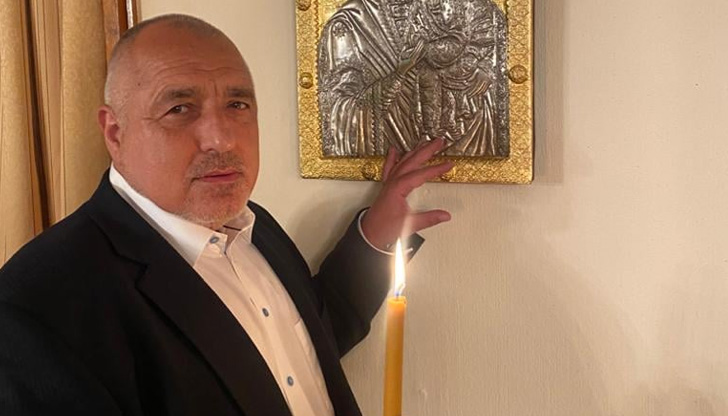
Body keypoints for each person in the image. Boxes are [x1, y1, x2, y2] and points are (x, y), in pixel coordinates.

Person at [0, 14, 452, 416]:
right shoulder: (38, 306)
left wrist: (374, 238)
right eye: (179, 109)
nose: (222, 139)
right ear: (115, 132)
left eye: (237, 105)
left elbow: (307, 344)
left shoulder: (255, 226)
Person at [318, 0, 510, 157]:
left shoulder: (456, 7)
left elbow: (484, 34)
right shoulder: (350, 22)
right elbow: (339, 110)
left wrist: (479, 67)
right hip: (392, 139)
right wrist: (400, 74)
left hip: (465, 130)